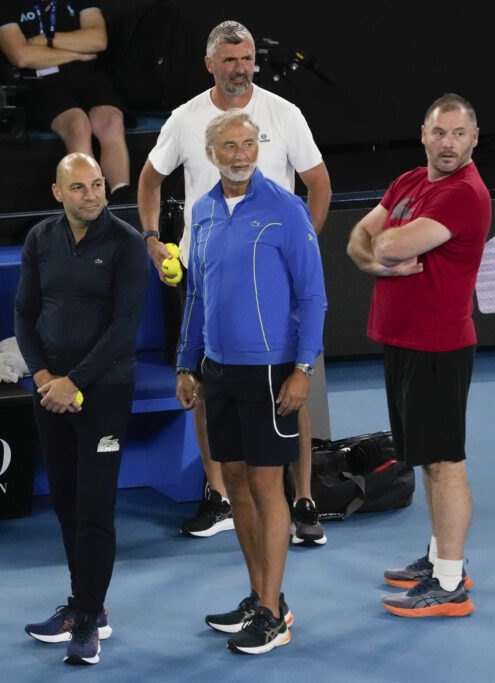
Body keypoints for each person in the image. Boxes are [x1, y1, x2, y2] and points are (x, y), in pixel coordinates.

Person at [137, 20, 331, 544]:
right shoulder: (185, 119)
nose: (240, 69)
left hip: (273, 277)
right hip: (205, 273)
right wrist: (153, 240)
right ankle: (219, 494)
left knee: (292, 384)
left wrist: (298, 250)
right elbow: (150, 179)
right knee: (205, 381)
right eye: (229, 60)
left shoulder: (284, 113)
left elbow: (318, 184)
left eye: (246, 59)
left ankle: (304, 497)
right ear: (210, 65)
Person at [176, 110, 326, 654]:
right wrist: (186, 363)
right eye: (230, 146)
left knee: (265, 486)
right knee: (235, 484)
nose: (241, 155)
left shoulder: (287, 209)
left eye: (248, 144)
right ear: (211, 153)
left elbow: (313, 296)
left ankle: (272, 614)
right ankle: (263, 595)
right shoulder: (202, 212)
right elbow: (197, 295)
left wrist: (303, 370)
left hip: (270, 372)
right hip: (217, 371)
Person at [346, 93, 491, 617]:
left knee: (445, 463)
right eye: (439, 132)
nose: (448, 143)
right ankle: (439, 558)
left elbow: (384, 244)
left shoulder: (464, 193)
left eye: (459, 134)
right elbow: (359, 241)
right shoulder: (409, 181)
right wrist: (375, 261)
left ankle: (450, 585)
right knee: (429, 460)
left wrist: (380, 252)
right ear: (423, 134)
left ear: (474, 139)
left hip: (438, 347)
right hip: (403, 342)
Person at [14, 153, 147, 665]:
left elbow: (125, 327)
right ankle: (84, 603)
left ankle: (89, 617)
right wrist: (43, 377)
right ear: (58, 192)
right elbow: (24, 313)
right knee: (66, 502)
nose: (92, 195)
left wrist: (74, 381)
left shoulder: (126, 243)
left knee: (95, 507)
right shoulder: (39, 238)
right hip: (51, 392)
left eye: (97, 185)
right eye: (79, 187)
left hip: (104, 392)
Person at [0, 2, 133, 201]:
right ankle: (92, 201)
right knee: (78, 125)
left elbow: (98, 40)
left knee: (111, 121)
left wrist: (47, 40)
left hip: (86, 76)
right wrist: (76, 53)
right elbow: (21, 56)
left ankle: (122, 197)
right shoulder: (1, 5)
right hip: (39, 80)